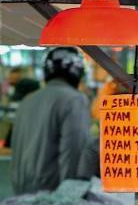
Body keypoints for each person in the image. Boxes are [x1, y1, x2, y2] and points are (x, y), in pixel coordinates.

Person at [10, 48, 92, 195]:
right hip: (52, 196)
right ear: (78, 72)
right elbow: (73, 151)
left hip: (20, 192)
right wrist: (71, 195)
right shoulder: (74, 100)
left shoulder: (27, 101)